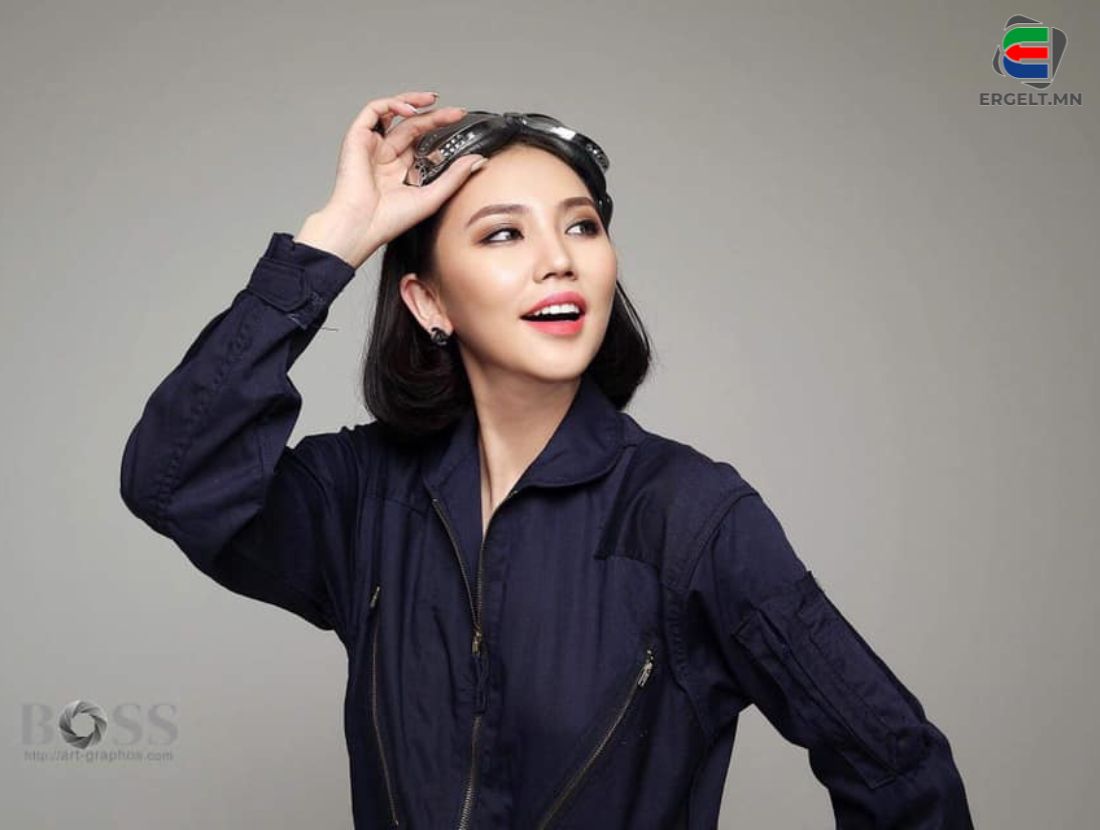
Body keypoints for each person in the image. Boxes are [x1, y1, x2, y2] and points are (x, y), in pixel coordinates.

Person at [119, 90, 975, 829]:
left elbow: (897, 766)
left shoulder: (691, 516)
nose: (558, 259)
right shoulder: (364, 498)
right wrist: (332, 244)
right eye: (503, 235)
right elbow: (172, 481)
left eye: (582, 226)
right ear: (428, 301)